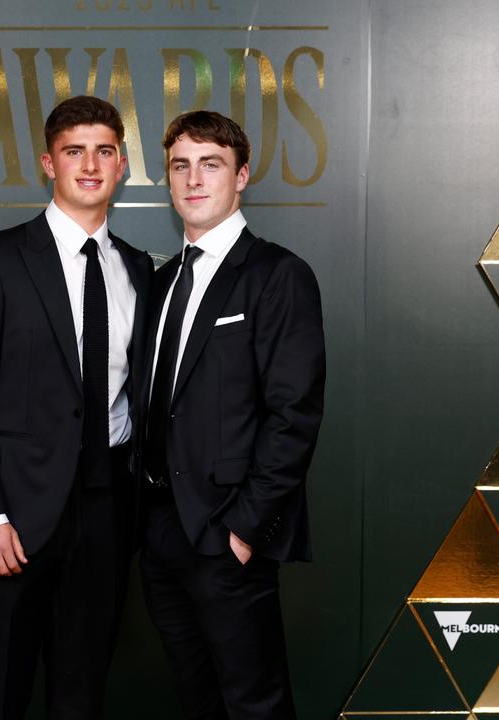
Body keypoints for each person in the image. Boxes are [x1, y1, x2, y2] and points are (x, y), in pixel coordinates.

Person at [0, 95, 153, 719]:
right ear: (48, 163)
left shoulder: (139, 268)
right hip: (14, 518)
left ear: (120, 167)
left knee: (81, 692)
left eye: (104, 151)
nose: (90, 164)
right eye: (74, 151)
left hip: (108, 510)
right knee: (0, 690)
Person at [139, 110, 325, 719]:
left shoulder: (277, 275)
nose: (194, 179)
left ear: (240, 176)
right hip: (161, 531)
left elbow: (292, 417)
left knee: (254, 704)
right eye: (180, 165)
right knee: (195, 700)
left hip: (226, 533)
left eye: (211, 164)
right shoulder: (161, 282)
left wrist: (243, 532)